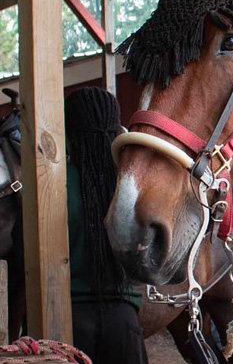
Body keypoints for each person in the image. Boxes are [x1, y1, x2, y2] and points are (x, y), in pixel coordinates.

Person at [65, 87, 148, 363]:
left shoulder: (53, 186)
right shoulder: (130, 185)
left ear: (69, 134)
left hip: (69, 321)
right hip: (123, 319)